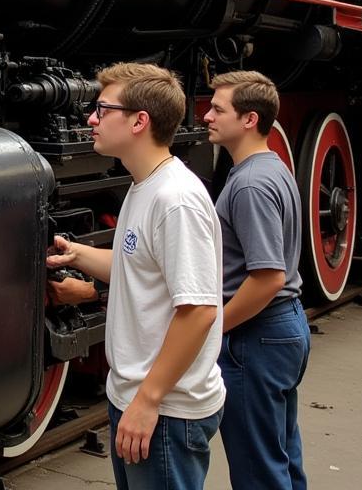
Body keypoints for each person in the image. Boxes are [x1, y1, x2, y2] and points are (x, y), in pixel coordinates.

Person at [48, 62, 225, 490]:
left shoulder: (174, 199)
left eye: (103, 109)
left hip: (165, 411)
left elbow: (199, 310)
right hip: (139, 399)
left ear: (139, 121)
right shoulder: (144, 185)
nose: (91, 118)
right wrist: (76, 253)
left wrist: (147, 402)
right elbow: (136, 267)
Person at [204, 70, 308, 490]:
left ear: (249, 119)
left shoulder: (249, 183)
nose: (207, 116)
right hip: (279, 330)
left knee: (258, 472)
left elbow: (267, 278)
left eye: (217, 108)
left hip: (256, 336)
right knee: (282, 459)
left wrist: (212, 329)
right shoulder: (271, 168)